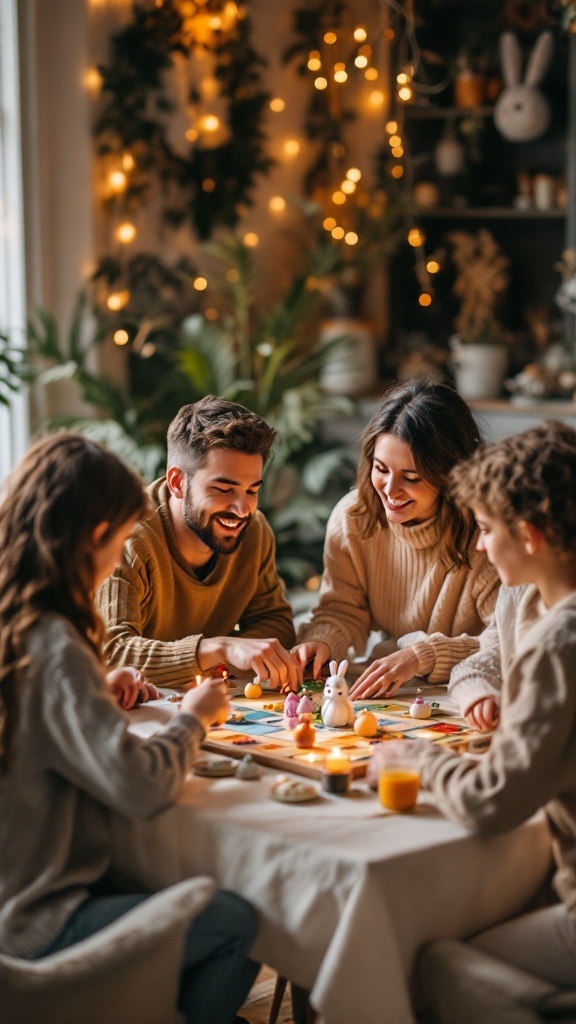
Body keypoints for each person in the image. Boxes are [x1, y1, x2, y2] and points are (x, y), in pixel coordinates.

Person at [0, 433, 259, 1024]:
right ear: (95, 538)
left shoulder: (15, 623)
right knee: (238, 920)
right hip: (34, 926)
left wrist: (100, 694)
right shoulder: (55, 644)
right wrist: (193, 719)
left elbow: (40, 725)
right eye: (119, 541)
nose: (119, 558)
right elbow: (141, 788)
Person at [413, 420, 576, 1014]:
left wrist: (417, 757)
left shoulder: (560, 644)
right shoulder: (538, 608)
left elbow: (493, 800)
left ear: (529, 534)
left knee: (423, 961)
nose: (479, 546)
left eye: (484, 529)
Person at [292, 379, 499, 697]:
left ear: (451, 475)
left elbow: (506, 641)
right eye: (381, 469)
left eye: (411, 477)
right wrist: (321, 640)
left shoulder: (486, 534)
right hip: (398, 689)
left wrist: (422, 656)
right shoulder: (353, 518)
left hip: (471, 691)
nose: (390, 490)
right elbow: (343, 609)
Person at [97, 396, 298, 692]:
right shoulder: (127, 538)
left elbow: (275, 621)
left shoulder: (254, 531)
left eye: (252, 490)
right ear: (177, 482)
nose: (242, 509)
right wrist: (219, 650)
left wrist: (222, 659)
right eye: (223, 489)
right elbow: (112, 653)